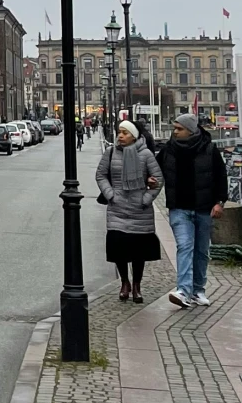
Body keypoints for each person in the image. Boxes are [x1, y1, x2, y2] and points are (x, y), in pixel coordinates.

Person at [161, 108, 227, 309]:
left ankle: (198, 290)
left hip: (204, 207)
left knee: (201, 250)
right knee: (185, 246)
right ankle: (183, 290)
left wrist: (219, 202)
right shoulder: (169, 149)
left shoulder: (209, 149)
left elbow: (220, 176)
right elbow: (154, 167)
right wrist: (150, 178)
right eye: (174, 128)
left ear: (190, 130)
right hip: (179, 207)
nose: (175, 132)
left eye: (179, 129)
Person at [95, 118, 162, 303]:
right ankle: (124, 282)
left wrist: (146, 199)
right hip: (117, 208)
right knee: (119, 248)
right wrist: (110, 195)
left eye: (125, 133)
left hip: (139, 210)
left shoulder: (146, 154)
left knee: (138, 251)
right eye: (119, 132)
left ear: (134, 136)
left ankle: (137, 285)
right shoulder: (111, 153)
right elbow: (100, 175)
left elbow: (158, 179)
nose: (120, 136)